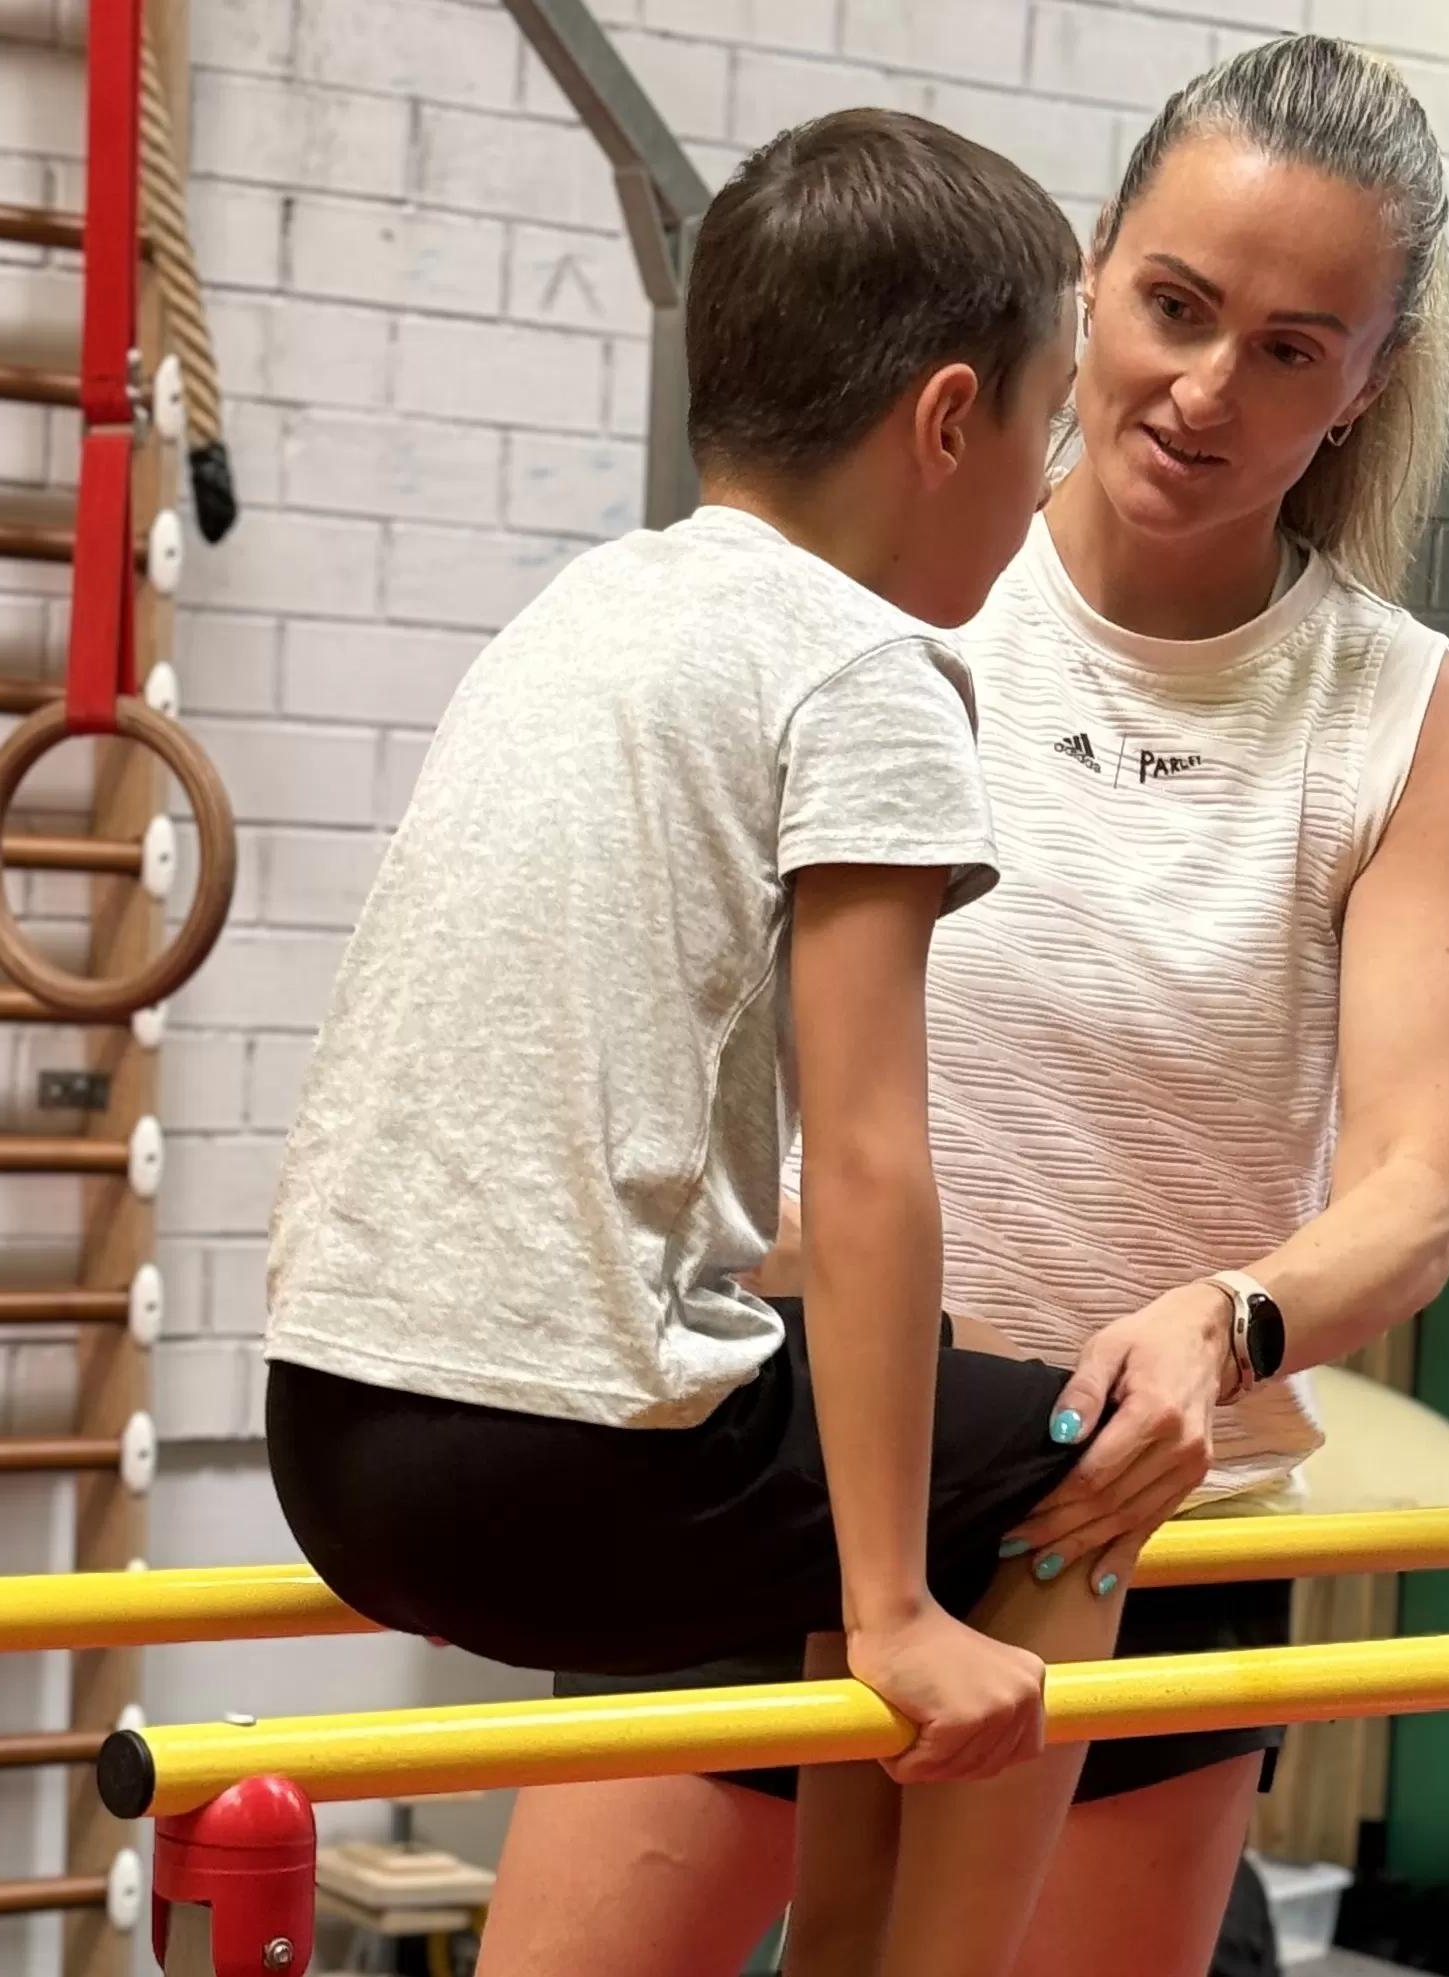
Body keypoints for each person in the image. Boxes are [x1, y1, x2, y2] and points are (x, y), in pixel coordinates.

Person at [478, 35, 1449, 1977]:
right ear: (1094, 267)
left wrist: (1230, 1318)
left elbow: (1411, 1196)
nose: (1207, 389)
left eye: (1292, 349)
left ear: (1369, 380)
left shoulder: (1407, 718)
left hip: (1130, 1512)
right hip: (778, 1458)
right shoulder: (890, 587)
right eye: (1177, 306)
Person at [260, 110, 1127, 1976]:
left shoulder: (582, 609)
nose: (1049, 482)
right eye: (1052, 424)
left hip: (324, 1438)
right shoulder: (865, 666)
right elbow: (873, 1156)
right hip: (554, 1473)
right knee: (1084, 1438)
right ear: (950, 420)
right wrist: (892, 1611)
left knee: (883, 1402)